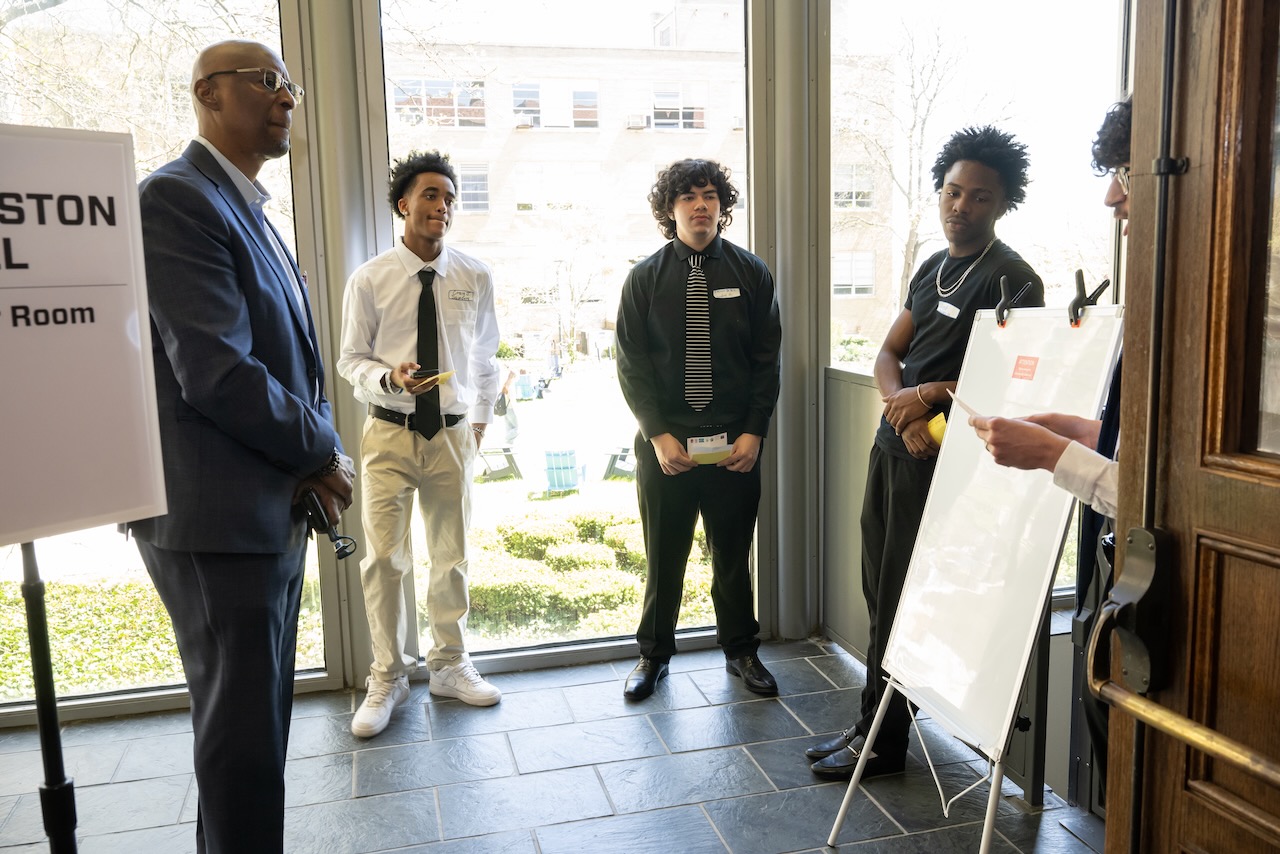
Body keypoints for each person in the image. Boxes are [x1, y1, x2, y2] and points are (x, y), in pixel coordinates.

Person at [126, 40, 352, 853]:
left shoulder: (245, 207)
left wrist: (311, 459)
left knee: (252, 740)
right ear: (208, 94)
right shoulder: (175, 199)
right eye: (267, 81)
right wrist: (323, 452)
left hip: (259, 511)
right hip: (216, 521)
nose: (286, 96)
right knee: (242, 746)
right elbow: (218, 372)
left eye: (289, 84)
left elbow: (287, 360)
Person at [807, 126, 1046, 779]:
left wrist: (930, 397)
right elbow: (889, 352)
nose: (961, 205)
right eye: (952, 191)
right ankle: (871, 725)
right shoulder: (931, 266)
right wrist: (900, 404)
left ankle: (882, 745)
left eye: (979, 196)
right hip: (894, 448)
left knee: (902, 603)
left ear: (1003, 203)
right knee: (877, 593)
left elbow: (1013, 382)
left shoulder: (1012, 279)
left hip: (944, 465)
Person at [970, 98, 1132, 784]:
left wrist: (1054, 455)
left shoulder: (1212, 312)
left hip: (1155, 585)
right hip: (1116, 573)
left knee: (1134, 763)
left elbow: (1188, 499)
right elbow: (1157, 455)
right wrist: (1086, 432)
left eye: (1127, 173)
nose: (1112, 198)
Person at [337, 149, 502, 738]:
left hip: (452, 435)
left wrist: (478, 422)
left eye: (450, 197)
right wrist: (390, 377)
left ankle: (450, 664)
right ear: (403, 204)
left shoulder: (474, 276)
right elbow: (350, 360)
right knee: (385, 559)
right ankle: (387, 676)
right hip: (389, 432)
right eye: (431, 194)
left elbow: (485, 358)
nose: (443, 206)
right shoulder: (371, 278)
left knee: (451, 555)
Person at [615, 158, 782, 700]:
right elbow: (632, 364)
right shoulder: (645, 279)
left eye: (709, 195)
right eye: (688, 197)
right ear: (671, 209)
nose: (700, 205)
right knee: (664, 558)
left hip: (735, 446)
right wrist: (657, 435)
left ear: (722, 206)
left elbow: (767, 360)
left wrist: (754, 432)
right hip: (666, 447)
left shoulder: (751, 273)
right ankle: (653, 656)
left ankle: (741, 651)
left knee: (732, 557)